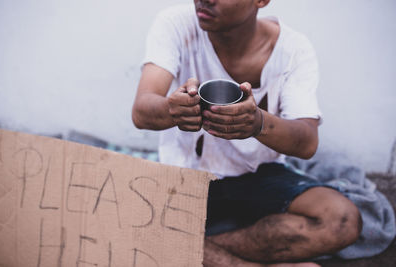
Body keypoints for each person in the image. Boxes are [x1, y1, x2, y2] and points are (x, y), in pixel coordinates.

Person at [132, 0, 362, 266]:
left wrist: (258, 123)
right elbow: (141, 110)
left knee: (342, 221)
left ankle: (178, 247)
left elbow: (307, 141)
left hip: (259, 175)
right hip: (188, 174)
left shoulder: (293, 50)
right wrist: (174, 109)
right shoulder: (176, 23)